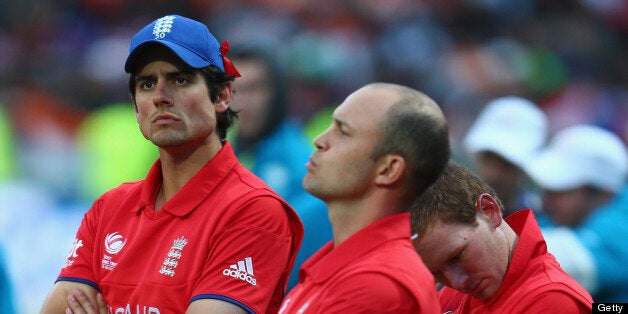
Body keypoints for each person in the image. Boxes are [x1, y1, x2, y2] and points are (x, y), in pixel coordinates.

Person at [40, 14, 303, 314]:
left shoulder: (254, 210)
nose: (161, 97)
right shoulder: (108, 208)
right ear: (137, 108)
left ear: (222, 95)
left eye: (180, 79)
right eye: (147, 83)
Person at [279, 82, 450, 313]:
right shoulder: (346, 266)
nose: (319, 140)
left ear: (388, 170)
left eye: (343, 131)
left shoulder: (376, 285)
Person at [410, 161, 593, 313]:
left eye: (457, 256)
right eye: (436, 273)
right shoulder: (460, 290)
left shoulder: (552, 301)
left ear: (489, 211)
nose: (458, 282)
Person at [228, 43, 332, 290]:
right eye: (233, 89)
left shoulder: (302, 164)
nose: (243, 102)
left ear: (277, 92)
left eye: (254, 88)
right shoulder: (220, 152)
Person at [525, 124, 628, 302]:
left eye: (560, 191)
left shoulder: (619, 225)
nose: (547, 200)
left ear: (603, 193)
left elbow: (569, 261)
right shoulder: (558, 218)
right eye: (547, 190)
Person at [463, 96, 547, 217]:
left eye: (507, 164)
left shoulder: (543, 224)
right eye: (488, 158)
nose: (494, 175)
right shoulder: (448, 212)